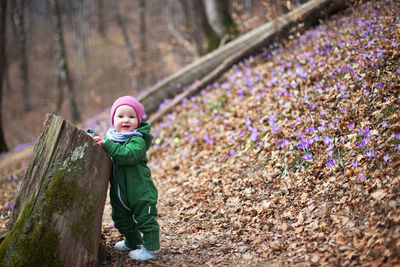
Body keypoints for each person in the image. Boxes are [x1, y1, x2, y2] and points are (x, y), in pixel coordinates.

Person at [88, 95, 160, 261]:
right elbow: (107, 149)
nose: (125, 120)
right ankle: (134, 241)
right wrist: (95, 139)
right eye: (120, 116)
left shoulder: (138, 140)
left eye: (131, 116)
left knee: (145, 219)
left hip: (140, 190)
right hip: (120, 194)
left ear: (139, 121)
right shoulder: (112, 138)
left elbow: (128, 155)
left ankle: (151, 248)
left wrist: (107, 144)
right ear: (113, 120)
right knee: (120, 219)